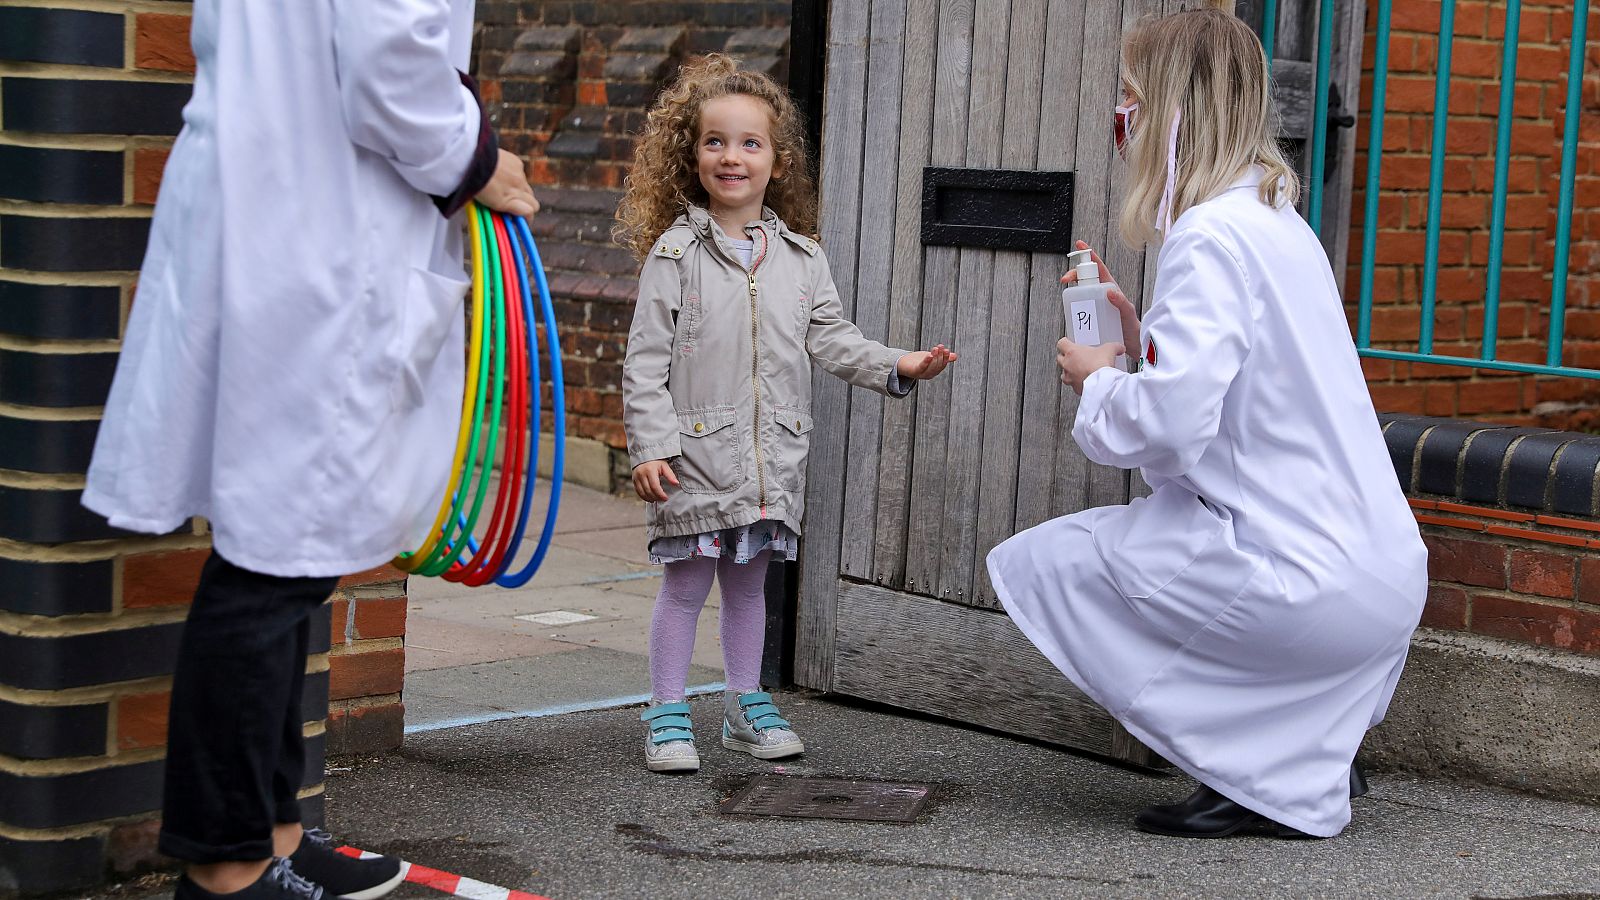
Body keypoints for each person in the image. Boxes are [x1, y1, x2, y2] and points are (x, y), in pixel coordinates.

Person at [82, 2, 538, 897]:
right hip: (320, 235)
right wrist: (476, 159)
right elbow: (388, 60)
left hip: (278, 211)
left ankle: (276, 836)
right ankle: (226, 870)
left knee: (290, 552)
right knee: (273, 564)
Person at [986, 2, 1427, 839]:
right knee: (1142, 552)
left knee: (1055, 566)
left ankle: (1258, 775)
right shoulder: (1275, 219)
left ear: (1169, 110)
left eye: (1131, 98)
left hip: (1313, 582)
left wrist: (1103, 377)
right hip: (1382, 573)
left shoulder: (1208, 235)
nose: (1122, 118)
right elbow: (1255, 383)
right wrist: (1142, 334)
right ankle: (1306, 745)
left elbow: (1174, 427)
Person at [614, 54, 956, 774]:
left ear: (777, 159)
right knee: (684, 588)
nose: (731, 156)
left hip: (772, 460)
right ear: (691, 154)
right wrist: (650, 446)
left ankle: (745, 703)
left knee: (748, 586)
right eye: (715, 141)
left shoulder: (802, 259)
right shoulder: (673, 256)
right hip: (694, 460)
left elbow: (831, 339)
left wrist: (898, 364)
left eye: (749, 143)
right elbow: (645, 362)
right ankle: (668, 711)